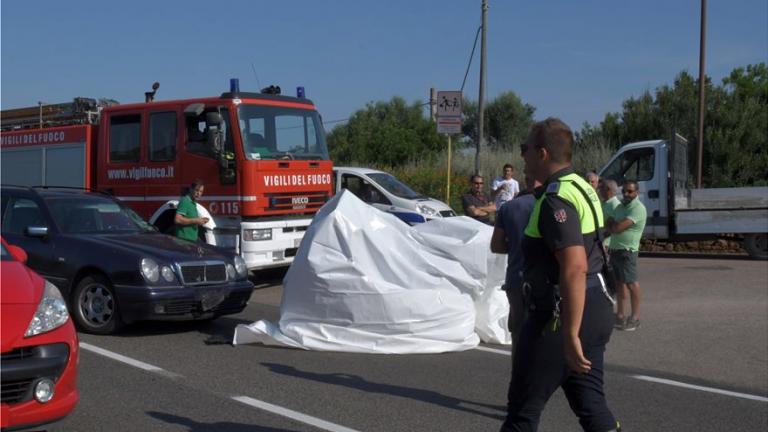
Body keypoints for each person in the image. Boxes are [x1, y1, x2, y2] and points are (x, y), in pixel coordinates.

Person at [500, 118, 619, 432]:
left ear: (542, 153)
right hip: (595, 305)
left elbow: (575, 266)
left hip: (557, 315)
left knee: (521, 414)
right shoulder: (582, 187)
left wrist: (570, 333)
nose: (522, 155)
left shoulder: (556, 199)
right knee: (592, 406)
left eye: (524, 148)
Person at [490, 175, 541, 354]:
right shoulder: (550, 204)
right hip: (544, 278)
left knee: (518, 330)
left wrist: (515, 248)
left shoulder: (508, 208)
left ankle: (519, 367)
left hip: (516, 277)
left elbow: (496, 245)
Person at [606, 180, 647, 331]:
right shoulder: (620, 206)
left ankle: (635, 317)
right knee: (619, 284)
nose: (626, 194)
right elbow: (609, 221)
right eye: (624, 191)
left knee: (631, 284)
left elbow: (617, 227)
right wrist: (613, 225)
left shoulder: (638, 208)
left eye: (630, 191)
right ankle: (620, 315)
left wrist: (613, 225)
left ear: (637, 192)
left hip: (627, 252)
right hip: (615, 250)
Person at [598, 179, 621, 249]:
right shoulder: (604, 203)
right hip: (601, 242)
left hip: (607, 244)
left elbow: (615, 227)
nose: (599, 190)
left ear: (608, 189)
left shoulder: (615, 205)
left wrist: (602, 238)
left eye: (601, 188)